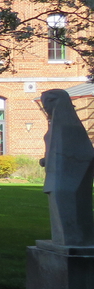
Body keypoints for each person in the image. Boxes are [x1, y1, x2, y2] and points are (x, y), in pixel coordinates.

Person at [40, 88, 94, 246]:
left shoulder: (71, 128)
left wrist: (68, 163)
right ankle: (63, 240)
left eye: (47, 105)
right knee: (59, 216)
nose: (46, 109)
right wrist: (47, 160)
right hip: (55, 177)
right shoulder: (55, 128)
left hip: (67, 181)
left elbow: (86, 154)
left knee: (70, 214)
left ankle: (75, 240)